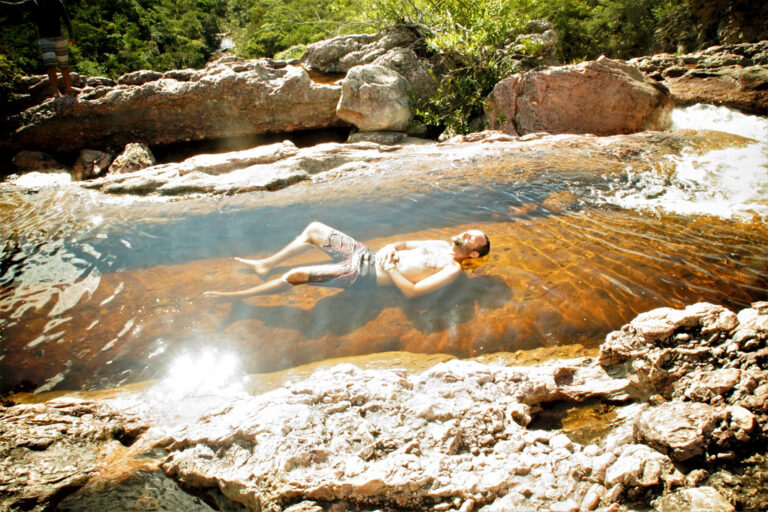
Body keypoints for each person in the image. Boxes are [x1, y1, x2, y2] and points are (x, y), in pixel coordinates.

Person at [203, 222, 491, 300]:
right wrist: (389, 248)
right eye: (469, 231)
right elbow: (401, 244)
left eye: (472, 238)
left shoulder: (452, 269)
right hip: (365, 254)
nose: (466, 233)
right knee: (315, 229)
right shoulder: (439, 244)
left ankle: (236, 297)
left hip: (362, 274)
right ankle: (266, 263)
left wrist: (390, 267)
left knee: (296, 275)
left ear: (474, 254)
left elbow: (412, 292)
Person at [1, 0, 77, 97]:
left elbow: (66, 19)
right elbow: (14, 6)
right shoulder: (33, 3)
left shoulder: (56, 2)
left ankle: (68, 88)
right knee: (50, 65)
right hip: (45, 38)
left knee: (64, 64)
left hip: (59, 36)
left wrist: (71, 35)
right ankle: (56, 91)